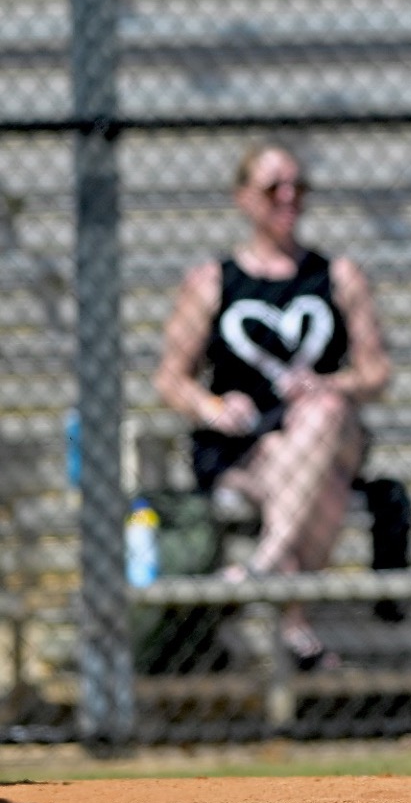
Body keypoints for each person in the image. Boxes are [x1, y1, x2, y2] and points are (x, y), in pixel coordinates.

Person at [152, 143, 392, 670]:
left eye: (297, 187)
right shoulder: (212, 282)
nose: (288, 197)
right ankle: (294, 624)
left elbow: (377, 373)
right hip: (249, 448)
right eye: (272, 188)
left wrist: (326, 383)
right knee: (320, 486)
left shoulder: (339, 276)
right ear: (242, 198)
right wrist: (213, 406)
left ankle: (263, 566)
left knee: (323, 411)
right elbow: (170, 378)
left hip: (329, 436)